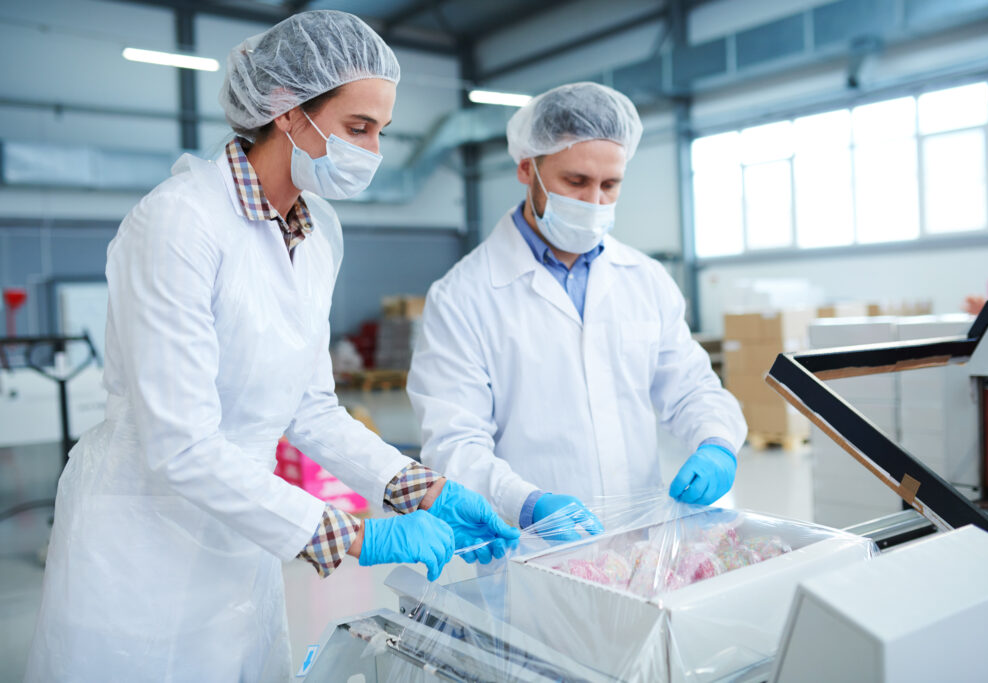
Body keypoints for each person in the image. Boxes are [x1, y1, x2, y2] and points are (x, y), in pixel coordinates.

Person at [25, 11, 517, 682]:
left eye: (380, 131)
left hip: (245, 529)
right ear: (287, 113)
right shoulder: (179, 221)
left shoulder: (318, 232)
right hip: (143, 536)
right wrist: (356, 534)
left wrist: (416, 486)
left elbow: (310, 407)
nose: (372, 152)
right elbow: (182, 445)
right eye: (357, 128)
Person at [407, 82, 747, 540]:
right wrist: (525, 504)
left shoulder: (645, 280)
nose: (594, 203)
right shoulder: (462, 296)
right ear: (527, 168)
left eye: (610, 185)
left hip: (640, 541)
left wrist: (717, 443)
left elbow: (691, 389)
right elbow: (454, 441)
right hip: (531, 547)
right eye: (576, 182)